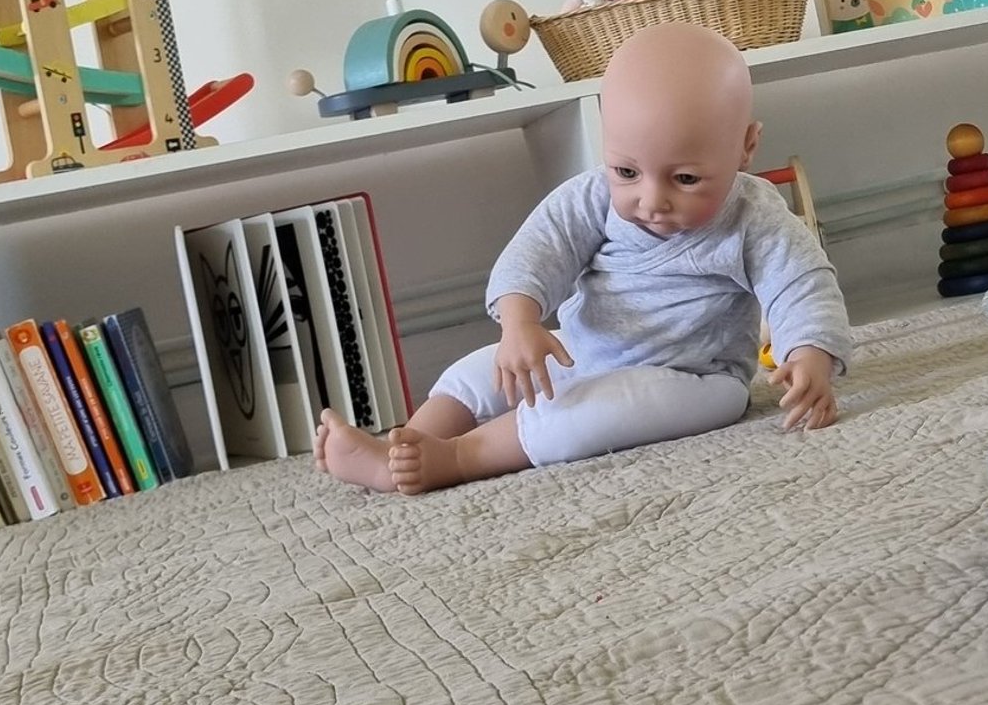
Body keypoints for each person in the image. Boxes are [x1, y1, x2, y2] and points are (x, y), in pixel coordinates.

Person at [317, 24, 850, 496]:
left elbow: (801, 283)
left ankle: (456, 459)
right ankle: (405, 446)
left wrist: (810, 355)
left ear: (746, 146)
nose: (651, 199)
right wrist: (520, 323)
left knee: (585, 416)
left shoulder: (755, 216)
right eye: (626, 171)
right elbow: (537, 252)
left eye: (686, 178)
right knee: (480, 372)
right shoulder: (588, 198)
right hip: (586, 351)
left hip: (696, 378)